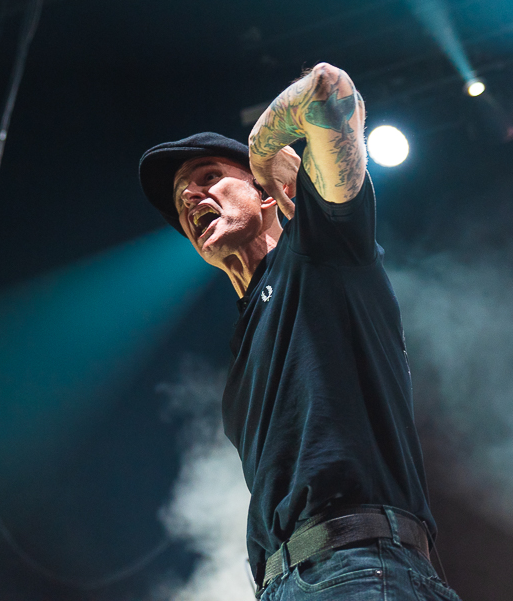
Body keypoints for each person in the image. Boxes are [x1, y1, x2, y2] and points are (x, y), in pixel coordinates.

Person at [139, 63, 462, 600]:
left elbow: (328, 90)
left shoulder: (318, 251)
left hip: (355, 566)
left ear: (268, 194)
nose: (190, 198)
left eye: (208, 177)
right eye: (180, 198)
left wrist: (263, 151)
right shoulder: (244, 346)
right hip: (289, 583)